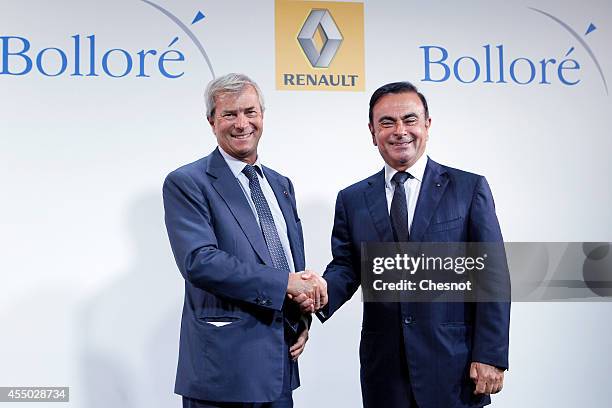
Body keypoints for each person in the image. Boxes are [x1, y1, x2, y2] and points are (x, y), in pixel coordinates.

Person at [316, 81, 510, 407]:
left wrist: (490, 354)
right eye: (387, 122)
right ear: (372, 131)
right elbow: (346, 267)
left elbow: (492, 275)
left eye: (410, 120)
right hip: (385, 372)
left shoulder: (467, 188)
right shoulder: (352, 200)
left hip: (454, 367)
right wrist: (315, 294)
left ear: (427, 125)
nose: (400, 131)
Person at [162, 73, 326, 408]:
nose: (242, 123)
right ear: (212, 121)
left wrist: (301, 316)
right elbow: (199, 261)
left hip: (280, 366)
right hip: (224, 371)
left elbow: (286, 263)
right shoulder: (187, 182)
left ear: (262, 116)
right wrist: (287, 284)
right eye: (230, 114)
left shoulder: (281, 184)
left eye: (250, 112)